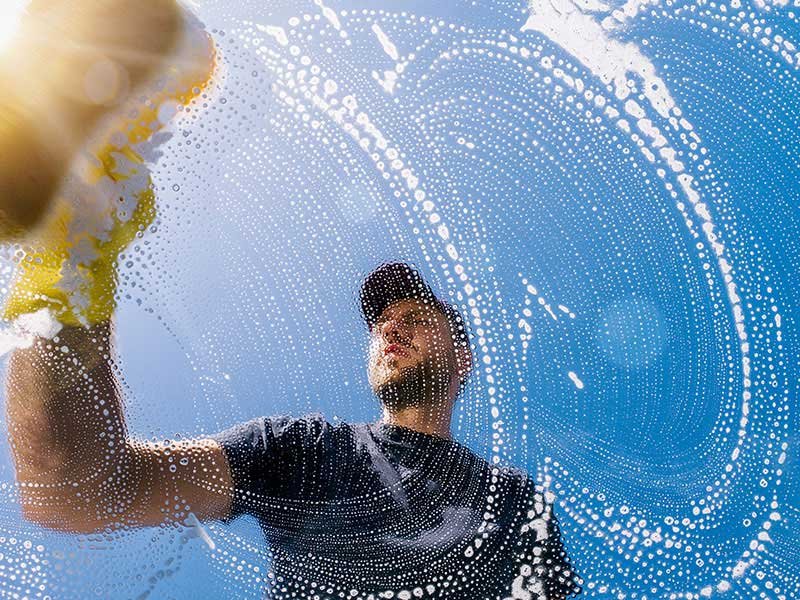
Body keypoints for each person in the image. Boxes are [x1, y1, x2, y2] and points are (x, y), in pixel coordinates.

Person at [1, 2, 582, 599]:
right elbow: (74, 492)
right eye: (380, 322)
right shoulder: (304, 450)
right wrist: (70, 263)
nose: (389, 329)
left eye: (413, 317)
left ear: (462, 356)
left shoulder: (514, 504)